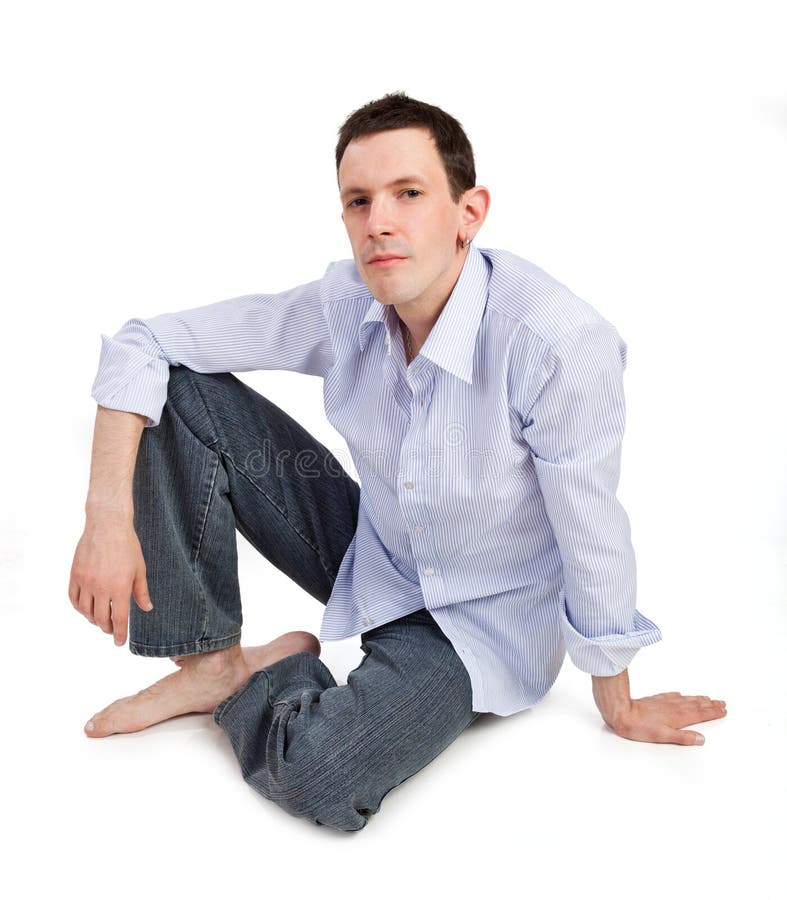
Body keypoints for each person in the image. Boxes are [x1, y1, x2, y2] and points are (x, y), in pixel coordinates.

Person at [69, 92, 727, 832]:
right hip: (375, 552)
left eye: (408, 194)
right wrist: (106, 517)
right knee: (182, 390)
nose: (378, 221)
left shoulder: (554, 343)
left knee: (317, 773)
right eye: (358, 201)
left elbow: (591, 522)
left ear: (468, 212)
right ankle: (210, 664)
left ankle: (271, 672)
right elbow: (143, 343)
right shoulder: (346, 300)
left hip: (476, 626)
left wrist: (617, 696)